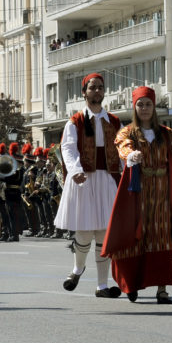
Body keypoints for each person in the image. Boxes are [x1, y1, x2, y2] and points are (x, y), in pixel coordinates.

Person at [103, 86, 172, 304]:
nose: (144, 108)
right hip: (138, 193)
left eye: (148, 104)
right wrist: (130, 154)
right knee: (136, 236)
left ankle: (162, 289)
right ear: (134, 107)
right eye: (140, 104)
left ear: (154, 107)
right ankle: (131, 284)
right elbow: (122, 146)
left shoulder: (168, 135)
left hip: (162, 193)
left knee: (161, 237)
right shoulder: (128, 132)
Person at [55, 72, 123, 298]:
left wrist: (128, 163)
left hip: (106, 179)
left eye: (100, 87)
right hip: (84, 178)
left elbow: (121, 148)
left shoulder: (114, 121)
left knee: (104, 232)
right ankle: (77, 269)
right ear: (84, 92)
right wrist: (74, 170)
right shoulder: (74, 122)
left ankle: (102, 285)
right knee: (84, 231)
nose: (97, 91)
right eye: (92, 87)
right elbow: (68, 148)